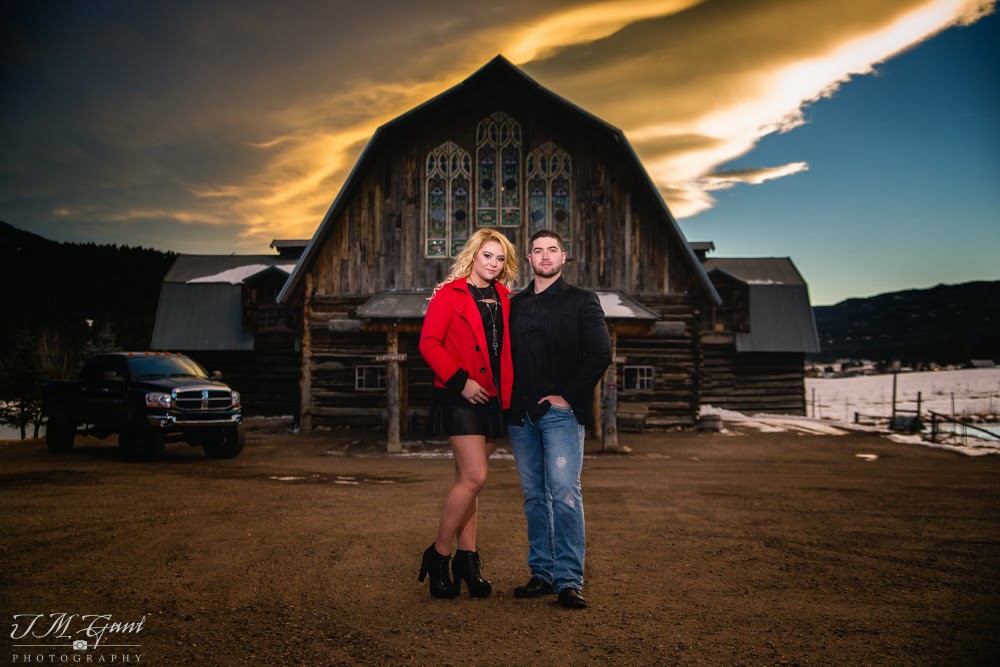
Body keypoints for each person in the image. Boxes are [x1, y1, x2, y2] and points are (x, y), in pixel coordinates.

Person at [507, 229, 612, 609]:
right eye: (538, 251)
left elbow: (600, 353)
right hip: (520, 416)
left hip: (561, 415)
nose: (545, 256)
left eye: (552, 250)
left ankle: (568, 579)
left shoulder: (582, 301)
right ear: (530, 259)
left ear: (563, 257)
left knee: (565, 492)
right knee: (535, 496)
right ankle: (542, 573)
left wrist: (567, 396)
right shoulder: (515, 305)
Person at [417, 228, 518, 599]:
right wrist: (461, 381)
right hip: (460, 394)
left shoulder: (506, 298)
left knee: (470, 482)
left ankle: (468, 559)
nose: (493, 264)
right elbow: (428, 343)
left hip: (493, 397)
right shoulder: (450, 294)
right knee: (474, 477)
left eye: (500, 258)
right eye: (487, 255)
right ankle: (439, 554)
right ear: (473, 255)